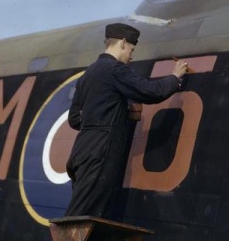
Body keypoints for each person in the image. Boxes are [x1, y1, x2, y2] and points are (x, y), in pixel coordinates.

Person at [64, 23, 188, 219]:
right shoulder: (115, 69)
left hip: (81, 152)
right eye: (131, 49)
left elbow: (74, 119)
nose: (131, 56)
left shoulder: (88, 74)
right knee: (79, 219)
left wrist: (110, 117)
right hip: (100, 154)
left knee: (88, 216)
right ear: (122, 43)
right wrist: (174, 77)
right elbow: (150, 91)